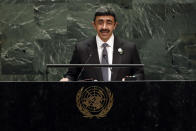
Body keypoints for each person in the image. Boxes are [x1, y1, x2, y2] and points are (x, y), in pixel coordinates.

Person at [60, 6, 144, 82]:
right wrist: (67, 80)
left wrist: (131, 79)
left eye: (109, 23)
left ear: (115, 25)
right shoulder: (81, 48)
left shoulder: (129, 48)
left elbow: (139, 74)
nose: (104, 27)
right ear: (94, 25)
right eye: (100, 22)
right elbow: (71, 75)